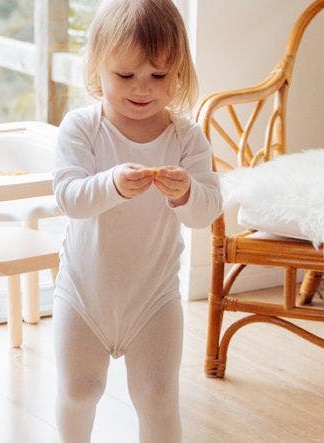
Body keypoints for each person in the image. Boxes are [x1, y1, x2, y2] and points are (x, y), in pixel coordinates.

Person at [51, 1, 221, 441]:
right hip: (84, 293)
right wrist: (110, 186)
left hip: (155, 296)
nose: (142, 88)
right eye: (126, 76)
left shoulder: (186, 138)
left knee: (158, 398)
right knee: (79, 391)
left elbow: (208, 211)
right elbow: (69, 198)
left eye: (159, 76)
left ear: (179, 72)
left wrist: (186, 192)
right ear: (98, 69)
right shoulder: (81, 129)